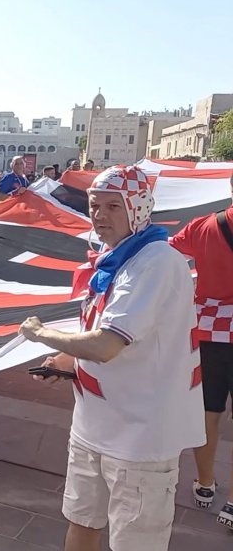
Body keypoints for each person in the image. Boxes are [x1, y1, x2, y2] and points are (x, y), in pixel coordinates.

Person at [19, 165, 205, 551]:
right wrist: (66, 360)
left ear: (139, 208)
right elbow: (111, 337)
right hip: (96, 425)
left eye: (112, 207)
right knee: (82, 520)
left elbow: (106, 346)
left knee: (135, 542)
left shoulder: (155, 262)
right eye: (94, 205)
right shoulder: (115, 257)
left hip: (140, 437)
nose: (100, 215)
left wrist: (40, 334)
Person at [171, 171, 233, 529]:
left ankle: (205, 483)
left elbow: (167, 252)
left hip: (209, 333)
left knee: (208, 413)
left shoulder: (203, 226)